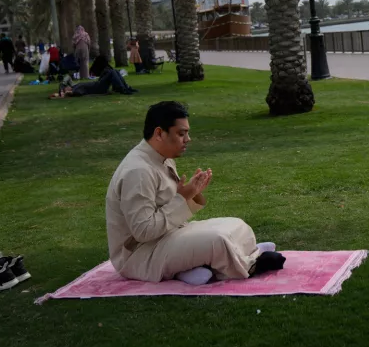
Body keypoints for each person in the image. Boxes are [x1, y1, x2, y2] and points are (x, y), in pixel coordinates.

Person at [105, 102, 282, 285]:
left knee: (238, 225)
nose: (188, 139)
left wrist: (188, 193)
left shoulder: (161, 158)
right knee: (218, 241)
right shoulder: (138, 171)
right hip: (140, 255)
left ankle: (190, 269)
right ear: (159, 133)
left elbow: (167, 207)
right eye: (181, 134)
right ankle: (250, 263)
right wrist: (183, 197)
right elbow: (143, 231)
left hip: (168, 237)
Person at [49, 66, 137, 98]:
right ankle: (123, 89)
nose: (67, 86)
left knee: (108, 69)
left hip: (97, 83)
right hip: (99, 87)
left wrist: (61, 89)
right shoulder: (76, 90)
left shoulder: (74, 86)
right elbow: (79, 93)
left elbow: (67, 77)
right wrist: (69, 92)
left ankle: (126, 87)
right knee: (112, 72)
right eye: (66, 88)